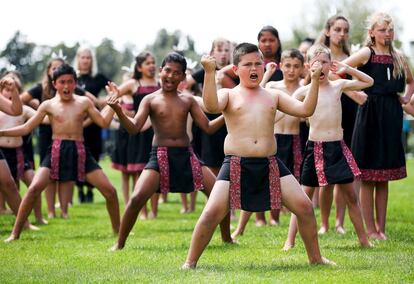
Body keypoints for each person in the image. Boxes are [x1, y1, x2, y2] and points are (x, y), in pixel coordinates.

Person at [183, 43, 334, 269]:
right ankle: (190, 262)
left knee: (304, 206)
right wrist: (209, 72)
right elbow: (211, 106)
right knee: (211, 212)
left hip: (270, 163)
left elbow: (305, 110)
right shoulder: (229, 94)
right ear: (236, 69)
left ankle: (316, 258)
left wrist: (313, 80)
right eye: (247, 64)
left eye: (258, 63)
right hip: (235, 163)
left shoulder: (273, 96)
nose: (254, 68)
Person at [107, 52, 232, 251]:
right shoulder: (150, 100)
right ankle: (119, 243)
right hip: (160, 155)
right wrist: (118, 111)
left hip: (187, 155)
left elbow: (207, 127)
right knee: (137, 198)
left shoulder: (188, 100)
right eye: (167, 71)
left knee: (219, 194)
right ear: (160, 72)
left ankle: (227, 238)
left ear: (183, 77)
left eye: (176, 73)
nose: (171, 76)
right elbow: (134, 128)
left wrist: (227, 115)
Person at [2, 63, 120, 242]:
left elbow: (103, 122)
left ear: (75, 83)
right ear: (54, 83)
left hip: (80, 150)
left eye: (70, 82)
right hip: (56, 150)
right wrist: (2, 133)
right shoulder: (48, 105)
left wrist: (112, 104)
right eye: (62, 82)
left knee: (110, 191)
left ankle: (119, 232)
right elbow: (27, 128)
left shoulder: (84, 102)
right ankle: (15, 233)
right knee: (33, 189)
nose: (66, 86)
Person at [282, 44, 372, 250]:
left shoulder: (338, 85)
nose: (320, 67)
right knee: (303, 198)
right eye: (316, 63)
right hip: (314, 148)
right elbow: (286, 108)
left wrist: (347, 69)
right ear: (308, 67)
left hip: (337, 148)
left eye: (324, 62)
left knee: (350, 195)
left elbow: (368, 81)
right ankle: (290, 240)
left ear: (330, 65)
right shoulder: (303, 92)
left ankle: (364, 240)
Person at [342, 12, 414, 240]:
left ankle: (381, 229)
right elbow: (339, 70)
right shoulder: (366, 53)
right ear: (371, 32)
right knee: (368, 176)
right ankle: (370, 229)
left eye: (390, 30)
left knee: (384, 176)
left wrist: (405, 98)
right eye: (382, 30)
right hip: (369, 114)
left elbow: (411, 81)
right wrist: (354, 93)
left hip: (391, 115)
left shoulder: (400, 57)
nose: (387, 34)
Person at [231, 48, 305, 239]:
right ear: (281, 66)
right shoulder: (274, 86)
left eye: (296, 66)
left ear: (301, 69)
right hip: (274, 138)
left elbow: (308, 110)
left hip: (294, 138)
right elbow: (255, 96)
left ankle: (279, 221)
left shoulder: (304, 85)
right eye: (287, 66)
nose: (291, 70)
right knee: (258, 182)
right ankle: (241, 227)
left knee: (292, 183)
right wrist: (268, 74)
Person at [20, 56, 91, 218]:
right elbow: (21, 103)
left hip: (71, 138)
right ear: (50, 74)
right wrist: (33, 109)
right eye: (54, 68)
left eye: (61, 67)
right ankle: (51, 210)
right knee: (49, 176)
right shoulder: (40, 89)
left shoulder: (74, 91)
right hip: (47, 135)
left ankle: (64, 209)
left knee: (66, 174)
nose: (65, 84)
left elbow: (94, 106)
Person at [316, 15, 358, 234]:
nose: (342, 34)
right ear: (328, 30)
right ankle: (323, 223)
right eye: (338, 29)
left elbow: (358, 85)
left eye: (345, 30)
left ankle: (339, 222)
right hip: (323, 116)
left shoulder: (351, 57)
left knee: (343, 174)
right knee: (325, 178)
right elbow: (308, 83)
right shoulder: (318, 55)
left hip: (348, 115)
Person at [110, 51, 160, 218]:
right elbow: (115, 95)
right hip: (138, 133)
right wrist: (120, 104)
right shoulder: (134, 84)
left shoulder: (161, 83)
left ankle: (154, 211)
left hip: (157, 133)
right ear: (139, 67)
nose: (152, 66)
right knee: (140, 173)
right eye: (147, 63)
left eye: (153, 62)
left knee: (156, 173)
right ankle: (143, 212)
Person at [0, 74, 46, 224]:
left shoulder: (22, 108)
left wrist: (56, 112)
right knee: (7, 185)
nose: (9, 92)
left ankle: (30, 221)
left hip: (18, 152)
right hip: (3, 149)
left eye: (13, 89)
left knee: (22, 184)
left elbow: (18, 111)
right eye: (6, 90)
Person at [74, 46, 110, 203]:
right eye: (82, 57)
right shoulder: (72, 78)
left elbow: (114, 92)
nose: (85, 60)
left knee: (93, 156)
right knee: (76, 157)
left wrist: (100, 102)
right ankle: (79, 189)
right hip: (76, 124)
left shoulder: (99, 77)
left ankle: (89, 190)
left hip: (93, 125)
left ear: (92, 60)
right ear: (78, 59)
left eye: (88, 57)